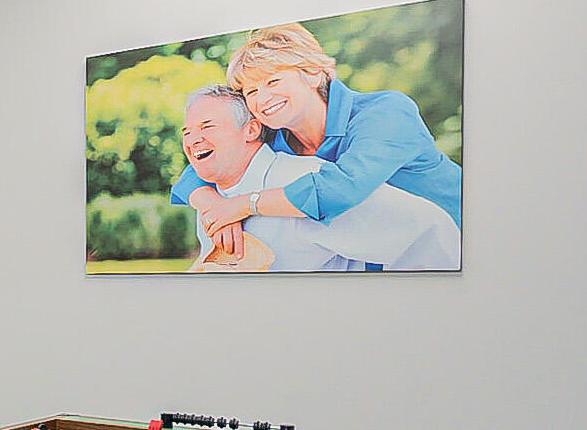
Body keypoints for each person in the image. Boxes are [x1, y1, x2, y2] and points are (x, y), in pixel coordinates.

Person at [172, 23, 462, 250]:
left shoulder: (386, 113)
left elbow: (340, 189)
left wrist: (240, 205)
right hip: (375, 266)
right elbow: (206, 163)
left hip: (456, 246)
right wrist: (215, 209)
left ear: (311, 73)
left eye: (273, 81)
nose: (262, 99)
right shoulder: (275, 133)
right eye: (251, 91)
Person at [178, 86, 460, 271]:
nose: (193, 140)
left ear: (251, 130)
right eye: (187, 132)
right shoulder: (212, 197)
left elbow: (429, 231)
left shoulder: (304, 179)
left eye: (207, 126)